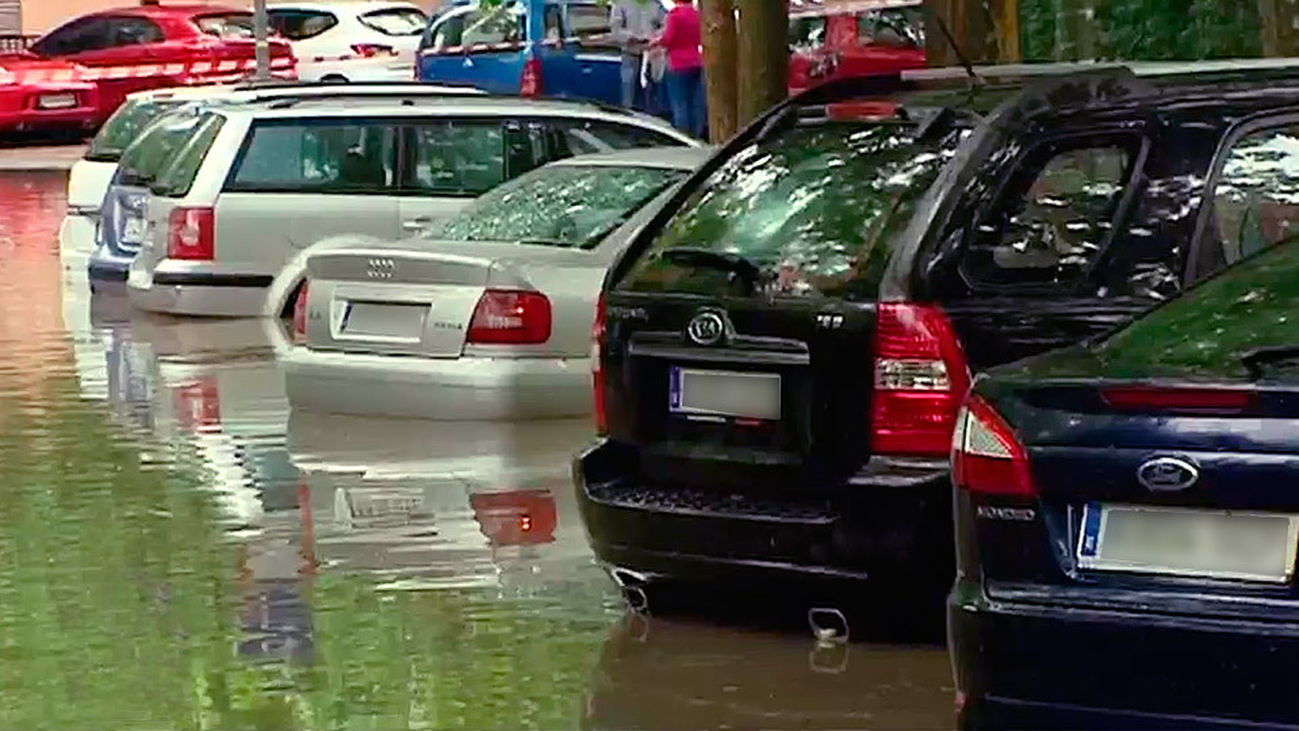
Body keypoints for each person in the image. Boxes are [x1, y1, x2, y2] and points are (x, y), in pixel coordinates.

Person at [655, 0, 705, 138]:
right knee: (696, 103)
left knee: (680, 104)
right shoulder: (697, 15)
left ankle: (683, 135)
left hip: (678, 63)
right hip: (696, 60)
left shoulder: (674, 15)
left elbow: (668, 39)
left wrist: (657, 41)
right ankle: (697, 134)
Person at [610, 0, 666, 112]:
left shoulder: (656, 6)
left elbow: (666, 26)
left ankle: (651, 120)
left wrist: (655, 36)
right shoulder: (621, 5)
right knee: (629, 92)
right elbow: (615, 30)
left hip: (652, 56)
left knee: (652, 94)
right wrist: (633, 36)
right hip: (630, 55)